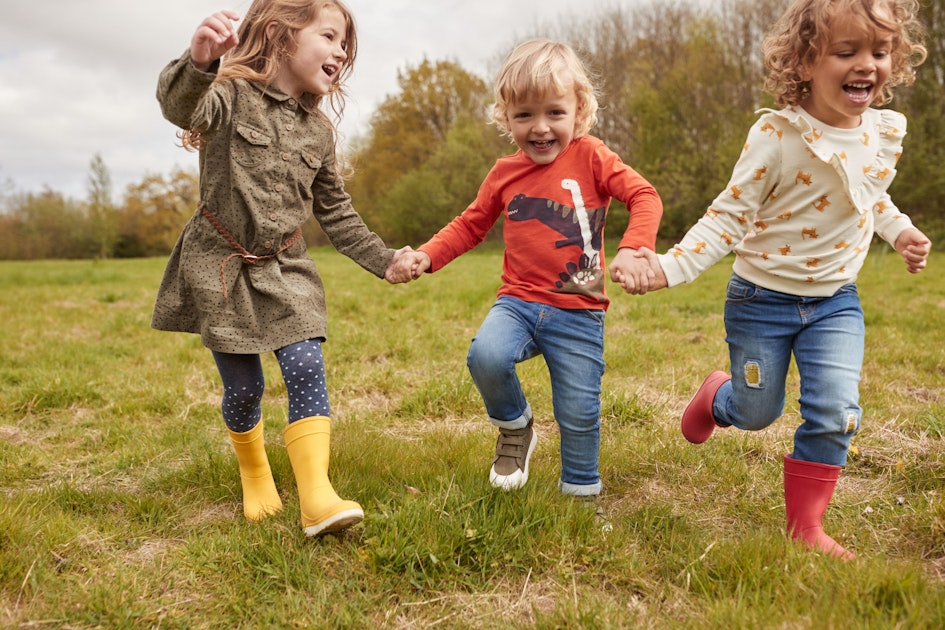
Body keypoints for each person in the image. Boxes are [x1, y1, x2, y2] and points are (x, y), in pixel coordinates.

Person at [631, 0, 930, 559]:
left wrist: (902, 231)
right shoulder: (776, 135)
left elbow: (868, 195)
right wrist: (669, 268)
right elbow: (727, 216)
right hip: (760, 299)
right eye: (847, 52)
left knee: (837, 409)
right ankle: (718, 396)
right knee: (756, 412)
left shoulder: (877, 132)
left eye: (880, 52)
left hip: (835, 301)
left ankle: (806, 527)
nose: (867, 64)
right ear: (804, 62)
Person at [152, 0, 410, 536]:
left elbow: (336, 212)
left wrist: (385, 261)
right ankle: (255, 471)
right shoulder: (228, 95)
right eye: (331, 36)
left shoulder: (319, 134)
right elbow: (182, 108)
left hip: (285, 265)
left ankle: (318, 498)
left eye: (346, 45)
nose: (341, 51)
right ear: (281, 34)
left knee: (304, 366)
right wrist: (200, 62)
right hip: (220, 265)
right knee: (244, 389)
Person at [390, 39, 663, 500]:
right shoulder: (504, 173)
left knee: (578, 411)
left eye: (554, 113)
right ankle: (516, 428)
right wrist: (427, 254)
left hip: (579, 310)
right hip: (518, 302)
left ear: (579, 110)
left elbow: (644, 196)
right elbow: (470, 225)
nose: (540, 128)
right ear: (505, 117)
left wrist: (635, 248)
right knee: (486, 357)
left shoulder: (593, 156)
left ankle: (580, 494)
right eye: (524, 116)